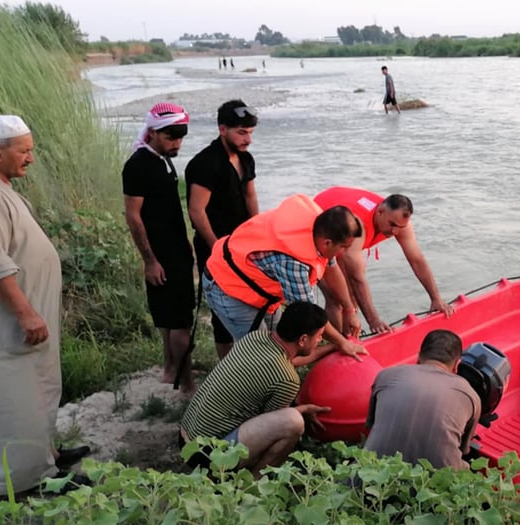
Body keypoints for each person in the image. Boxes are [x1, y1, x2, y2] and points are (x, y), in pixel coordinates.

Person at [0, 115, 90, 497]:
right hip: (5, 326)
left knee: (36, 393)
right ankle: (22, 481)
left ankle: (44, 457)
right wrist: (26, 313)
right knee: (13, 400)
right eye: (24, 151)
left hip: (22, 321)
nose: (31, 158)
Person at [202, 193, 367, 359]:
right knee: (260, 355)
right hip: (227, 286)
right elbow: (309, 314)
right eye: (344, 247)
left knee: (280, 346)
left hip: (258, 287)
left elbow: (332, 269)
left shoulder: (322, 227)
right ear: (328, 243)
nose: (346, 252)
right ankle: (242, 381)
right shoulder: (294, 262)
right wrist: (342, 343)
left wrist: (349, 310)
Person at [178, 302, 334, 476]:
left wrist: (335, 347)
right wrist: (303, 410)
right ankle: (253, 483)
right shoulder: (287, 380)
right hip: (208, 456)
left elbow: (290, 362)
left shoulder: (255, 339)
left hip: (186, 439)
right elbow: (275, 421)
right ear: (303, 340)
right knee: (293, 422)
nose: (320, 340)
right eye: (319, 336)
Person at [123, 103, 196, 393]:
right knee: (180, 321)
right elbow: (133, 216)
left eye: (181, 137)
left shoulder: (162, 157)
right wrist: (150, 260)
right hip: (161, 255)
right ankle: (188, 384)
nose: (177, 143)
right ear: (152, 132)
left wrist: (184, 241)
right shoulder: (139, 164)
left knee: (170, 317)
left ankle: (170, 369)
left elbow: (166, 209)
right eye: (171, 137)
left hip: (175, 250)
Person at [314, 188, 453, 334]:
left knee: (352, 299)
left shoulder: (399, 224)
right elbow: (357, 278)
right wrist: (374, 321)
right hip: (322, 223)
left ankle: (348, 338)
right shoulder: (357, 227)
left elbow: (417, 260)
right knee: (337, 298)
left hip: (342, 228)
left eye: (400, 227)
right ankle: (338, 345)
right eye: (392, 224)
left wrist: (436, 298)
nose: (394, 232)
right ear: (380, 212)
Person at [186, 100, 260, 359]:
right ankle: (227, 366)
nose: (247, 138)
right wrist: (217, 246)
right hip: (215, 245)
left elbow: (250, 197)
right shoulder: (206, 163)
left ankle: (250, 358)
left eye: (250, 132)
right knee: (222, 308)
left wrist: (258, 235)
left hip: (243, 244)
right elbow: (196, 210)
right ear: (222, 129)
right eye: (241, 132)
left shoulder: (246, 158)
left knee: (251, 299)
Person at [364, 330, 481, 470]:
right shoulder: (470, 395)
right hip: (436, 481)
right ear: (457, 365)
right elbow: (463, 450)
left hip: (376, 472)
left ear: (418, 357)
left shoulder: (386, 375)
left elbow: (371, 425)